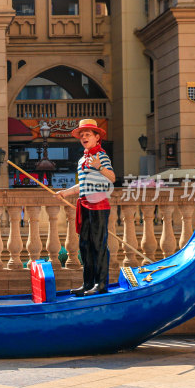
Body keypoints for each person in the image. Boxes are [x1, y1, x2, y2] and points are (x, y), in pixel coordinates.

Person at [55, 119, 116, 296]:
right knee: (85, 246)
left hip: (99, 206)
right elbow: (82, 185)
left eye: (87, 134)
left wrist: (99, 167)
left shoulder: (101, 156)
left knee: (99, 245)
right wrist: (65, 193)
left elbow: (111, 177)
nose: (83, 137)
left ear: (97, 137)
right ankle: (88, 284)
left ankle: (101, 285)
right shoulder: (83, 158)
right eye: (82, 135)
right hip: (84, 205)